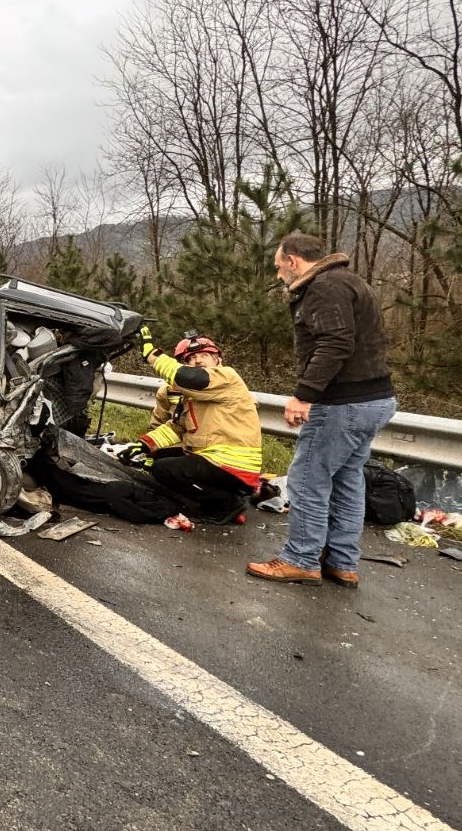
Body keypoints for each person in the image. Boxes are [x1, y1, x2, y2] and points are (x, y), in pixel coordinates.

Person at [247, 232, 397, 588]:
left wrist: (304, 395)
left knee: (307, 480)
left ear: (293, 261)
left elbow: (335, 342)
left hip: (342, 403)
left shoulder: (323, 288)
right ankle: (342, 562)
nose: (279, 274)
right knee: (347, 480)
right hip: (375, 398)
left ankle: (300, 559)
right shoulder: (350, 281)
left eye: (279, 266)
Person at [127, 328, 262, 522]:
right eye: (191, 358)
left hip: (232, 464)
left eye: (205, 355)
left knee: (164, 470)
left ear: (218, 360)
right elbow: (178, 427)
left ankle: (225, 503)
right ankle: (221, 495)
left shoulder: (226, 377)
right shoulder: (193, 397)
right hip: (216, 461)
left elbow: (192, 378)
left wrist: (153, 356)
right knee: (160, 457)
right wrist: (144, 445)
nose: (198, 360)